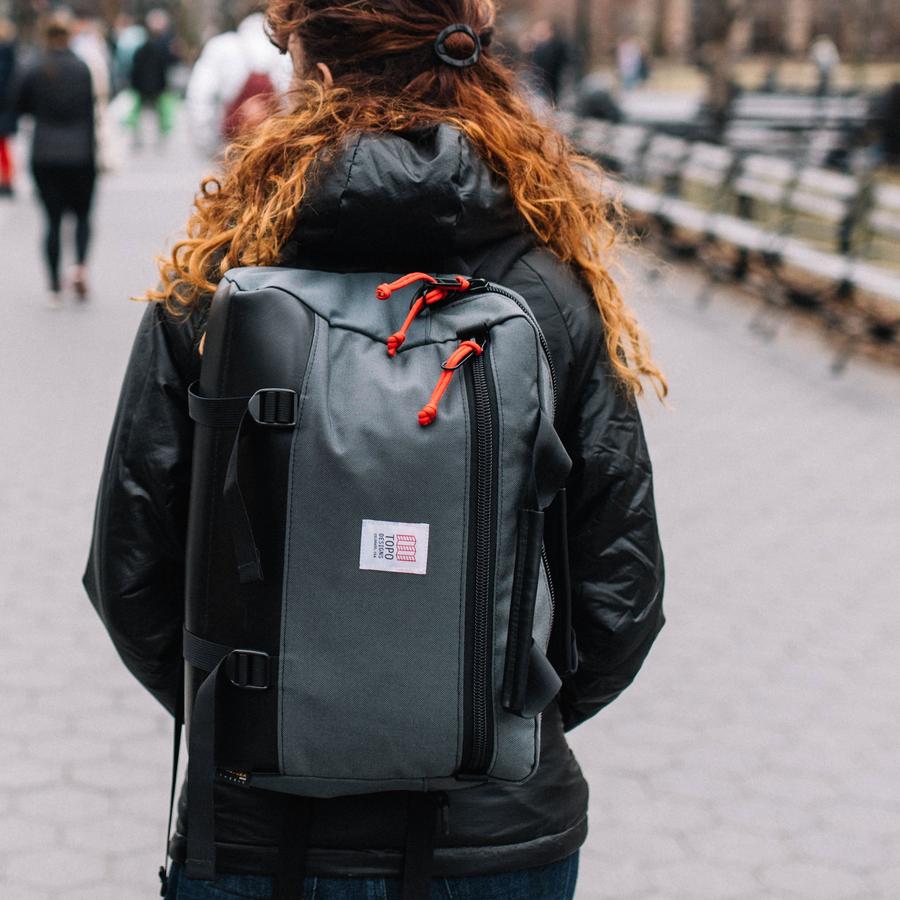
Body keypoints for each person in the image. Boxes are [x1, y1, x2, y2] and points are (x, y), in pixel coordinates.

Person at [83, 1, 667, 898]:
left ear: (307, 61)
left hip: (252, 833)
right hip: (499, 841)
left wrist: (256, 711)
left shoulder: (219, 274)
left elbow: (130, 572)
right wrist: (493, 711)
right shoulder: (548, 288)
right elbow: (620, 591)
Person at [14, 11, 96, 305]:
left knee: (52, 220)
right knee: (83, 215)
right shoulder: (81, 68)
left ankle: (53, 285)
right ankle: (80, 267)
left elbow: (19, 105)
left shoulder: (33, 68)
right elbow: (91, 110)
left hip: (45, 153)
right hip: (81, 153)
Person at [185, 1, 293, 156]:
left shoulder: (221, 47)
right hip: (275, 150)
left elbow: (199, 97)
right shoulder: (287, 50)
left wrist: (208, 147)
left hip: (232, 147)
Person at [129, 8, 175, 149]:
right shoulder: (161, 50)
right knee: (158, 114)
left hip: (143, 86)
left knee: (140, 114)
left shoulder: (140, 50)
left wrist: (134, 85)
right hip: (156, 86)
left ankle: (139, 138)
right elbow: (164, 69)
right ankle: (159, 138)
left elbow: (134, 69)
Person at [0, 17, 16, 197]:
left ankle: (5, 179)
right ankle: (6, 178)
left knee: (3, 146)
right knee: (4, 147)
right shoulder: (11, 55)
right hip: (6, 109)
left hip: (3, 109)